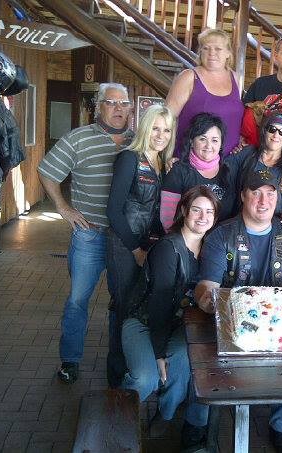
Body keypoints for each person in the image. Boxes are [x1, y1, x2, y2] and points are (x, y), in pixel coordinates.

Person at [194, 171, 282, 453]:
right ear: (243, 196)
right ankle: (200, 426)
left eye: (270, 194)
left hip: (280, 324)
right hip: (231, 325)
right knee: (203, 357)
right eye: (256, 193)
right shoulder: (222, 235)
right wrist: (207, 300)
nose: (263, 200)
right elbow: (207, 285)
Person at [37, 83, 134, 383]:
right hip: (89, 235)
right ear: (98, 107)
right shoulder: (78, 138)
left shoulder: (137, 140)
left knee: (122, 302)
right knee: (78, 301)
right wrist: (63, 208)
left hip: (124, 239)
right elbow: (47, 171)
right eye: (111, 102)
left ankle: (119, 363)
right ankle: (70, 361)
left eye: (124, 103)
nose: (118, 108)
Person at [121, 186, 220, 450]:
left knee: (182, 364)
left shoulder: (212, 248)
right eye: (196, 210)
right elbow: (159, 305)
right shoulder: (169, 247)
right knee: (146, 378)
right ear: (184, 211)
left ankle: (165, 413)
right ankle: (116, 410)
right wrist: (158, 353)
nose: (203, 217)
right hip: (144, 321)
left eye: (209, 212)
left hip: (181, 324)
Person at [104, 105, 175, 388]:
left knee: (140, 307)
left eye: (166, 130)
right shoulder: (129, 159)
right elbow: (113, 210)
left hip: (150, 245)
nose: (160, 135)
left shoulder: (163, 164)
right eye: (155, 128)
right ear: (145, 128)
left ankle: (136, 367)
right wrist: (136, 250)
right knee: (123, 307)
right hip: (125, 245)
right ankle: (116, 377)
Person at [166, 28, 244, 157]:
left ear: (228, 53)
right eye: (206, 48)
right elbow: (166, 119)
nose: (212, 53)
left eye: (218, 49)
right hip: (190, 161)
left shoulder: (235, 78)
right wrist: (166, 155)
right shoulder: (188, 77)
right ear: (200, 52)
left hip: (230, 161)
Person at [160, 113, 234, 230]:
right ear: (191, 141)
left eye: (214, 140)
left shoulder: (229, 172)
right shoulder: (178, 170)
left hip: (221, 239)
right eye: (202, 139)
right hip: (185, 238)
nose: (208, 146)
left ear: (221, 144)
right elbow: (167, 219)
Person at [226, 111, 282, 225]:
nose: (276, 135)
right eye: (272, 129)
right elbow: (225, 180)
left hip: (274, 227)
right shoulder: (246, 154)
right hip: (241, 223)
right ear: (265, 131)